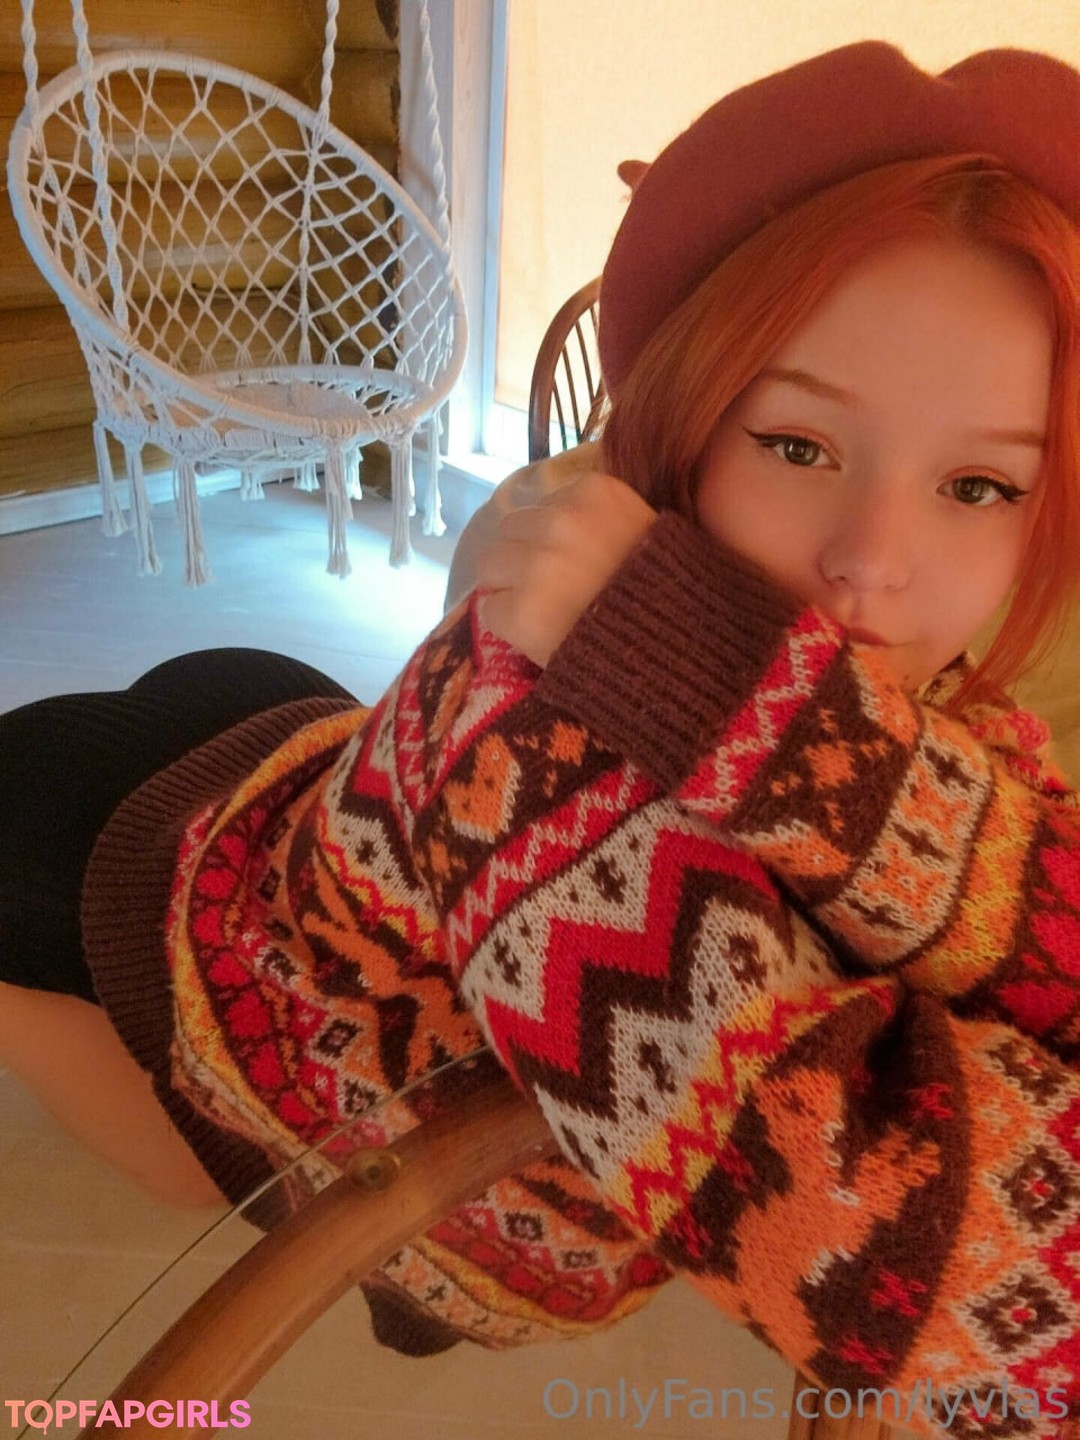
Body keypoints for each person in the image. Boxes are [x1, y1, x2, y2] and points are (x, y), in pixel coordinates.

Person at [3, 39, 1080, 1429]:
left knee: (202, 691)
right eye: (798, 446)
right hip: (191, 919)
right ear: (684, 423)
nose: (872, 563)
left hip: (302, 777)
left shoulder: (952, 717)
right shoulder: (532, 746)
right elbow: (875, 1229)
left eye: (980, 485)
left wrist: (721, 670)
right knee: (132, 1018)